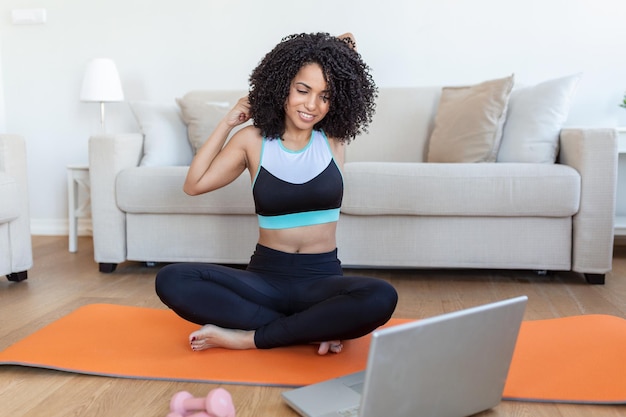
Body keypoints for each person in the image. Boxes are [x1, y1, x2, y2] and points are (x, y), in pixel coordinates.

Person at [155, 32, 398, 355]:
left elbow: (346, 71)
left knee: (382, 296)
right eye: (302, 90)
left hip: (321, 279)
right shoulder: (251, 141)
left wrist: (335, 50)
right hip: (265, 279)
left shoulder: (334, 139)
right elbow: (194, 184)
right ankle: (311, 327)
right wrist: (227, 123)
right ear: (282, 85)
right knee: (172, 279)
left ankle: (249, 337)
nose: (312, 105)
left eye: (324, 96)